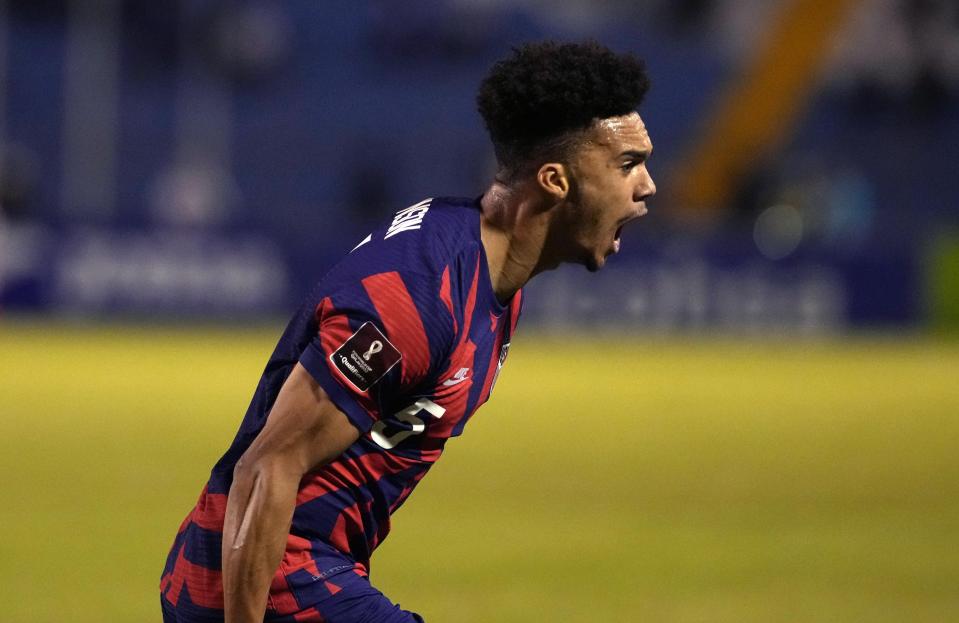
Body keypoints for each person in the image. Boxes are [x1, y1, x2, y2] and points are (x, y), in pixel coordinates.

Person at [159, 40, 655, 623]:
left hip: (297, 569)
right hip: (266, 579)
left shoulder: (490, 272)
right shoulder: (421, 297)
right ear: (555, 180)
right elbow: (265, 467)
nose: (646, 187)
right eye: (627, 165)